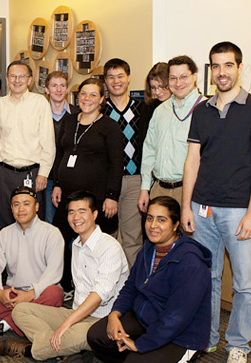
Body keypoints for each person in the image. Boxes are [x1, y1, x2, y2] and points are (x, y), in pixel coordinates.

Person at [181, 41, 251, 363]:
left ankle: (238, 344)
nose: (222, 72)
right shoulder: (202, 111)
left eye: (228, 65)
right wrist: (185, 206)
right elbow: (192, 160)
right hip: (202, 208)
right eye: (216, 66)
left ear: (239, 68)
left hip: (240, 208)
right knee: (205, 278)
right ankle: (206, 338)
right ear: (210, 70)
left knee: (245, 284)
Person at [0, 191, 128, 360]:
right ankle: (59, 347)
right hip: (76, 313)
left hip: (102, 321)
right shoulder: (77, 245)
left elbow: (99, 295)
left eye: (82, 211)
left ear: (94, 214)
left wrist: (66, 324)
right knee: (20, 310)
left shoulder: (109, 247)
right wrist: (68, 322)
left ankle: (31, 349)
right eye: (71, 212)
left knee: (74, 333)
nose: (76, 217)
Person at [87, 196, 211, 363]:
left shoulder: (190, 262)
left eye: (161, 220)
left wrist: (140, 345)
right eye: (150, 218)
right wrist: (114, 315)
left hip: (182, 336)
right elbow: (130, 287)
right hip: (148, 319)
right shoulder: (148, 248)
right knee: (97, 336)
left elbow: (176, 317)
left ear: (175, 225)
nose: (153, 225)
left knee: (135, 359)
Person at [52, 78, 122, 294]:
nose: (87, 99)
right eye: (83, 94)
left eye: (93, 95)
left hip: (97, 198)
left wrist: (112, 195)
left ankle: (95, 289)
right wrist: (57, 184)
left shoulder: (109, 126)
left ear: (102, 99)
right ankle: (64, 285)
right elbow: (61, 154)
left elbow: (117, 163)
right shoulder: (69, 121)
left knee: (94, 244)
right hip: (68, 197)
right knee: (60, 239)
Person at [0, 186, 64, 339]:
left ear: (36, 206)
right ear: (11, 208)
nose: (21, 209)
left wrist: (30, 294)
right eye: (16, 204)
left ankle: (5, 324)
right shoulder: (5, 234)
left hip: (39, 293)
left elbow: (54, 273)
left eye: (26, 203)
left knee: (55, 294)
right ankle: (24, 320)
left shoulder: (51, 233)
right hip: (12, 294)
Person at [0, 61, 55, 231]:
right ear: (7, 79)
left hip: (32, 174)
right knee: (3, 221)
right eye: (13, 76)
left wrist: (43, 173)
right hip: (3, 174)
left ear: (29, 80)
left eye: (22, 76)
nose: (17, 80)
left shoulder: (40, 103)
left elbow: (48, 143)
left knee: (31, 223)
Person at [103, 58, 152, 267]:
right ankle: (107, 292)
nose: (116, 81)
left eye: (120, 76)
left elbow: (150, 149)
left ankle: (132, 290)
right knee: (107, 239)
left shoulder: (144, 110)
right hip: (105, 183)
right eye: (111, 77)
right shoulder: (99, 111)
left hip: (134, 181)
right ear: (105, 81)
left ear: (129, 78)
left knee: (132, 240)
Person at [138, 56, 203, 213]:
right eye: (173, 78)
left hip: (190, 190)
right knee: (156, 236)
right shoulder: (161, 111)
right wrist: (145, 188)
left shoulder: (205, 109)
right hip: (159, 189)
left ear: (194, 76)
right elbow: (149, 150)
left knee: (189, 236)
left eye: (183, 77)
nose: (178, 83)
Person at [44, 71, 79, 223]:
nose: (58, 90)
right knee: (50, 222)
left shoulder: (78, 114)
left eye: (62, 86)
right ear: (46, 90)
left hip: (72, 177)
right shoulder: (38, 113)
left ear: (67, 89)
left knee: (74, 221)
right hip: (47, 177)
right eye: (54, 85)